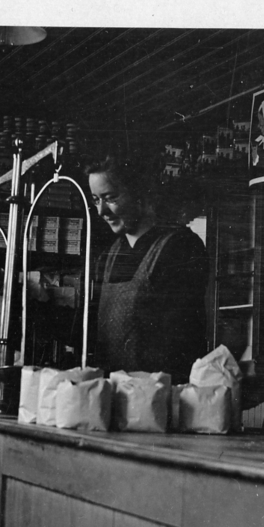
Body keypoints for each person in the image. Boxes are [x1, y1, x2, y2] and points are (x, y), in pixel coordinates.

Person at [86, 155, 208, 384]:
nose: (101, 211)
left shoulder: (180, 246)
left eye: (110, 198)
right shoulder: (108, 257)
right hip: (115, 390)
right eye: (95, 200)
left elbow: (181, 340)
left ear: (140, 194)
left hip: (160, 391)